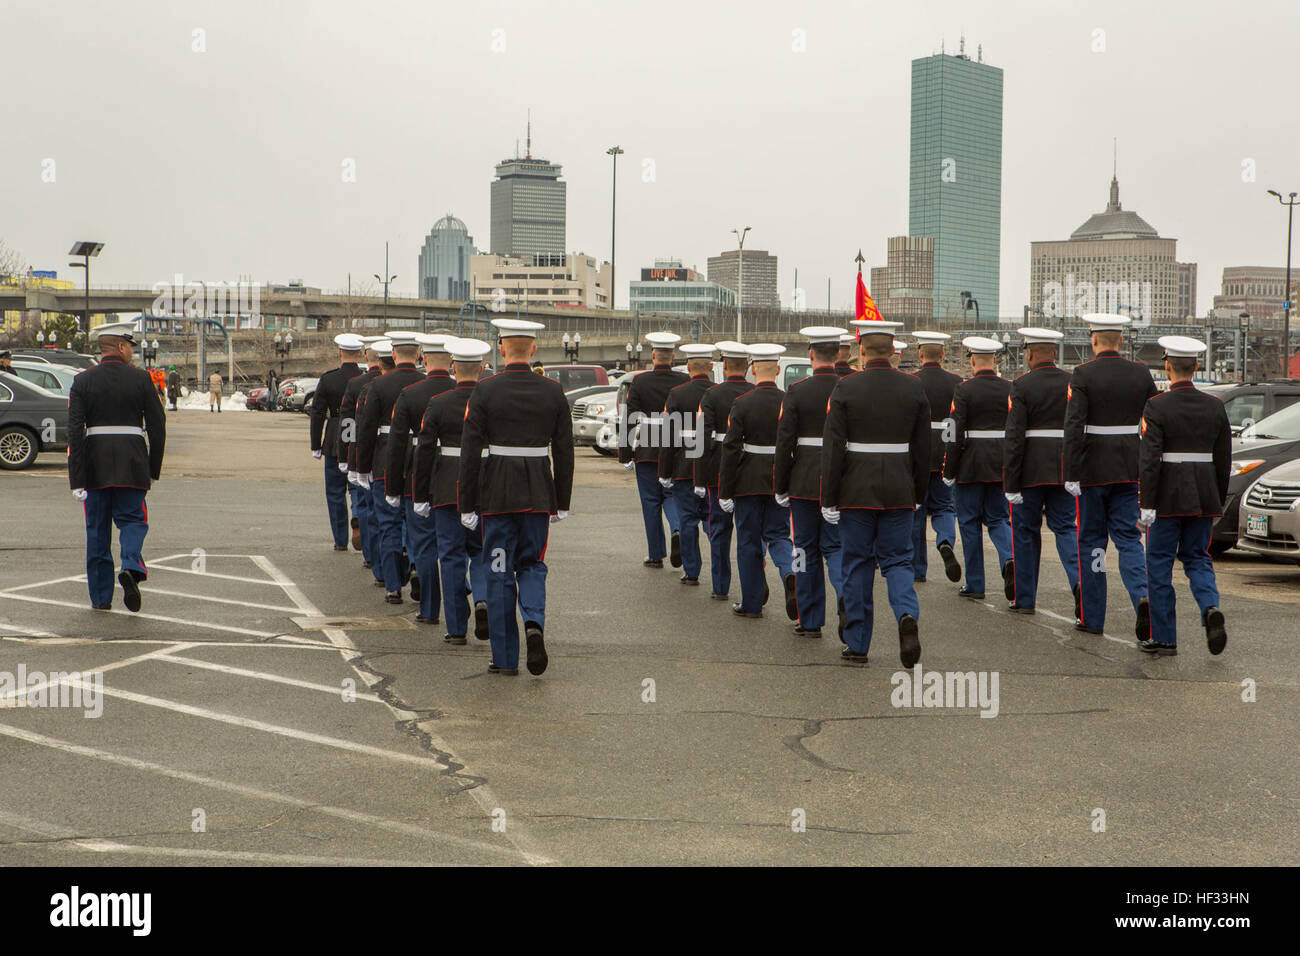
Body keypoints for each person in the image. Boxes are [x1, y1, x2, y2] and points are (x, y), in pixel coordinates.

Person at [458, 318, 574, 676]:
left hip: (497, 496)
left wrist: (466, 503)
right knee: (532, 565)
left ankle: (504, 658)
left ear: (502, 347)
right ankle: (534, 623)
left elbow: (470, 451)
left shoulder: (485, 390)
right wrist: (562, 500)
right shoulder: (553, 391)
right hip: (538, 494)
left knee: (497, 571)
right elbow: (565, 450)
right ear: (534, 349)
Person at [821, 320, 928, 668]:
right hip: (899, 487)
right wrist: (918, 492)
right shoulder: (914, 389)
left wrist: (828, 497)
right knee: (898, 560)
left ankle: (858, 644)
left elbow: (833, 449)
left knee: (857, 563)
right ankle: (906, 615)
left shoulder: (845, 388)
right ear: (895, 351)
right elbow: (923, 449)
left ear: (861, 351)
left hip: (856, 489)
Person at [1064, 313, 1158, 637]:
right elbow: (1154, 422)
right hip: (1129, 468)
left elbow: (1074, 425)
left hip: (1092, 471)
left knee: (1092, 544)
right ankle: (1143, 596)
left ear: (1093, 339)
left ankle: (1092, 617)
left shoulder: (1082, 374)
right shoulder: (1141, 373)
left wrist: (1071, 472)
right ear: (1120, 340)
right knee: (1130, 540)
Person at [1136, 337, 1232, 656]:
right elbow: (1223, 458)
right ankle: (1209, 608)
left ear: (1167, 365)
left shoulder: (1157, 405)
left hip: (1166, 495)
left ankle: (1164, 637)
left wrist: (1146, 502)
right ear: (1197, 366)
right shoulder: (1215, 405)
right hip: (1203, 494)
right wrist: (1217, 499)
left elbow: (1149, 459)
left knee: (1159, 563)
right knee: (1197, 557)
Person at [67, 322, 166, 612]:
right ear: (121, 347)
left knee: (97, 530)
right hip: (132, 462)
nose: (133, 353)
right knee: (133, 520)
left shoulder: (82, 380)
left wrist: (76, 478)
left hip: (94, 465)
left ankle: (100, 599)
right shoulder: (141, 379)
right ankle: (131, 566)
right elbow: (158, 426)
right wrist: (152, 467)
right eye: (130, 347)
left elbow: (74, 432)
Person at [413, 337, 491, 644]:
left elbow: (425, 452)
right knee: (483, 551)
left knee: (450, 556)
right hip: (486, 488)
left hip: (448, 490)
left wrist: (421, 495)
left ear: (454, 368)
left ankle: (457, 627)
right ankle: (483, 597)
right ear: (482, 369)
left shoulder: (439, 403)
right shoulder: (491, 402)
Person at [774, 326, 847, 639]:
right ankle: (846, 596)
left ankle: (810, 618)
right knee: (838, 549)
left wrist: (780, 485)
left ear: (811, 355)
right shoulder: (849, 386)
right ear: (838, 355)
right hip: (842, 481)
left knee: (804, 550)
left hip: (804, 483)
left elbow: (784, 442)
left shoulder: (797, 391)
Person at [1003, 327, 1080, 616]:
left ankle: (1024, 599)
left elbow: (1014, 437)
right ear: (1056, 353)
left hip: (1030, 472)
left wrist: (1010, 480)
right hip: (1063, 469)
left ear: (1030, 353)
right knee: (1065, 529)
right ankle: (1079, 582)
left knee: (1025, 532)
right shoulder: (1072, 382)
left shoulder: (1021, 385)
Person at [719, 343, 795, 620]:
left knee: (749, 542)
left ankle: (751, 604)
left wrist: (725, 491)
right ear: (777, 369)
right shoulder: (789, 400)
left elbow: (730, 448)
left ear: (752, 370)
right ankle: (789, 572)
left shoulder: (742, 403)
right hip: (780, 478)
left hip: (748, 480)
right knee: (779, 535)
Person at [385, 332, 456, 622]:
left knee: (424, 545)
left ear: (423, 359)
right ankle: (459, 601)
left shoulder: (410, 395)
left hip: (420, 474)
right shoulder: (465, 391)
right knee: (457, 547)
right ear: (451, 361)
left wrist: (394, 485)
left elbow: (397, 444)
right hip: (457, 475)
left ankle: (429, 610)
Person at [354, 332, 425, 604]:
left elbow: (366, 430)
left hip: (385, 459)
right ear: (418, 355)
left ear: (393, 355)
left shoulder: (378, 386)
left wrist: (362, 467)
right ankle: (417, 564)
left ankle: (393, 585)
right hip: (419, 460)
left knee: (388, 525)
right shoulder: (425, 383)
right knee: (417, 523)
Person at [943, 336, 1014, 602]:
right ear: (995, 360)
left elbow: (954, 432)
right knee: (998, 519)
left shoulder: (963, 389)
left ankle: (975, 584)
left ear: (972, 360)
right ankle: (1009, 559)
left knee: (970, 523)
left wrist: (949, 471)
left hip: (970, 465)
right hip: (1001, 463)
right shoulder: (1010, 387)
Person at [619, 331, 689, 568]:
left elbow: (629, 417)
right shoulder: (683, 381)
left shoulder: (640, 381)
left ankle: (656, 554)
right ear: (673, 355)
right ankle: (677, 529)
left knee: (650, 501)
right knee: (671, 495)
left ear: (653, 355)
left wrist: (625, 453)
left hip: (648, 445)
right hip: (676, 444)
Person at [694, 342, 753, 601]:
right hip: (752, 467)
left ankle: (720, 586)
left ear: (724, 365)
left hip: (718, 468)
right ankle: (755, 586)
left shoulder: (712, 395)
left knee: (719, 529)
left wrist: (699, 476)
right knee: (751, 532)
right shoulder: (754, 393)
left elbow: (702, 438)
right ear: (748, 367)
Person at [656, 343, 717, 586]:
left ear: (688, 366)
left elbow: (669, 437)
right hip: (712, 466)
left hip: (684, 466)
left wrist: (665, 471)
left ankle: (691, 571)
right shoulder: (719, 391)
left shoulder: (677, 394)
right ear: (711, 367)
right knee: (714, 521)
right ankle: (719, 572)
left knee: (687, 520)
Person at [910, 330, 963, 585]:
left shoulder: (911, 381)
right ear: (942, 354)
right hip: (945, 449)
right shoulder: (957, 382)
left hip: (918, 451)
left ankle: (918, 569)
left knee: (916, 511)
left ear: (920, 353)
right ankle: (944, 541)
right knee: (944, 507)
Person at [309, 333, 365, 552]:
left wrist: (315, 444)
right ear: (360, 354)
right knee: (358, 488)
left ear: (340, 352)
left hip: (334, 437)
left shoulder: (329, 379)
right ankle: (359, 519)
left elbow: (317, 413)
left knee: (335, 492)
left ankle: (340, 539)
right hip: (359, 436)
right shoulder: (366, 379)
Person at [338, 337, 386, 572]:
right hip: (394, 455)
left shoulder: (358, 385)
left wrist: (345, 454)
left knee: (364, 502)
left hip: (363, 450)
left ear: (367, 357)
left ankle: (370, 554)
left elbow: (348, 423)